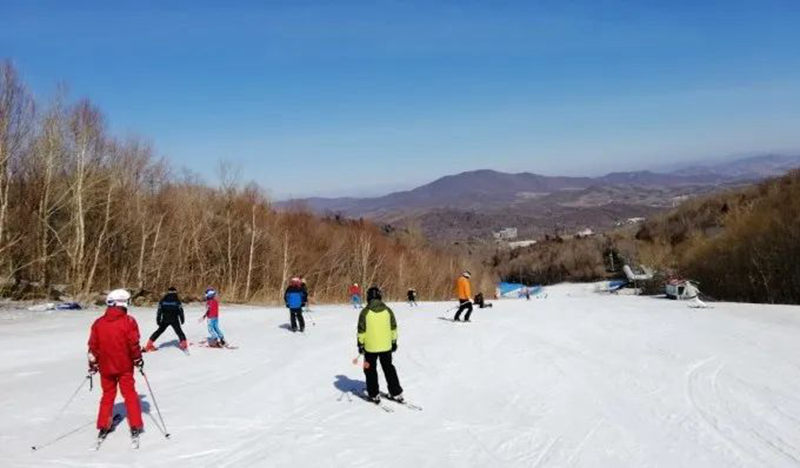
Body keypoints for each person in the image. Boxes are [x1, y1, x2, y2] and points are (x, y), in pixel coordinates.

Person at [87, 288, 144, 443]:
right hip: (124, 367)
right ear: (122, 303)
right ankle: (135, 424)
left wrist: (92, 365)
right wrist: (138, 359)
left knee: (107, 395)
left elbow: (93, 347)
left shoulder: (98, 323)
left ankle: (103, 424)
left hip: (106, 368)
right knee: (130, 394)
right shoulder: (128, 321)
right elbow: (133, 344)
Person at [357, 285, 403, 403]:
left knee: (369, 369)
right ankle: (396, 392)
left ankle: (373, 394)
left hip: (370, 348)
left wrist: (360, 344)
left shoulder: (365, 312)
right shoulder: (388, 311)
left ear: (368, 297)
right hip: (386, 346)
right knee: (388, 368)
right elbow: (393, 328)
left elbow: (361, 330)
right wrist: (393, 342)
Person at [144, 286, 186, 352]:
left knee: (158, 331)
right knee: (179, 331)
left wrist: (158, 319)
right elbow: (180, 310)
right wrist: (182, 318)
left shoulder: (163, 300)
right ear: (175, 292)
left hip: (165, 319)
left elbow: (159, 310)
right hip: (174, 319)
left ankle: (149, 345)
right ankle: (184, 345)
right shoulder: (177, 300)